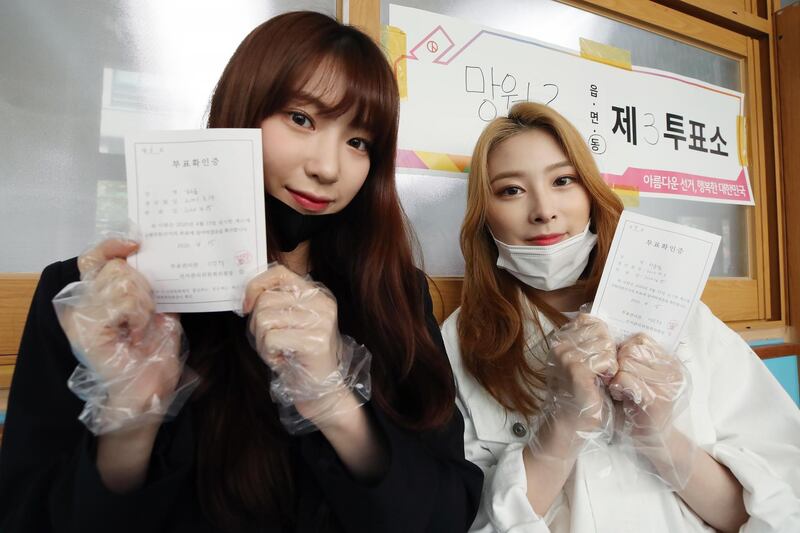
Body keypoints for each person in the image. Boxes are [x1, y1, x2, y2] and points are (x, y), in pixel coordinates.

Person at [0, 11, 482, 532]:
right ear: (241, 111)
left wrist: (334, 401)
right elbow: (29, 517)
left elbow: (446, 512)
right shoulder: (95, 300)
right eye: (301, 118)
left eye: (359, 141)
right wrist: (131, 417)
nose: (328, 167)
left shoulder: (394, 293)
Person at [441, 101, 800, 532]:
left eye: (563, 180)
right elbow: (464, 520)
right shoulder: (461, 340)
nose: (544, 210)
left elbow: (777, 511)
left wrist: (661, 435)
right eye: (510, 190)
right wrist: (562, 427)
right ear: (484, 216)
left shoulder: (684, 317)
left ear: (591, 193)